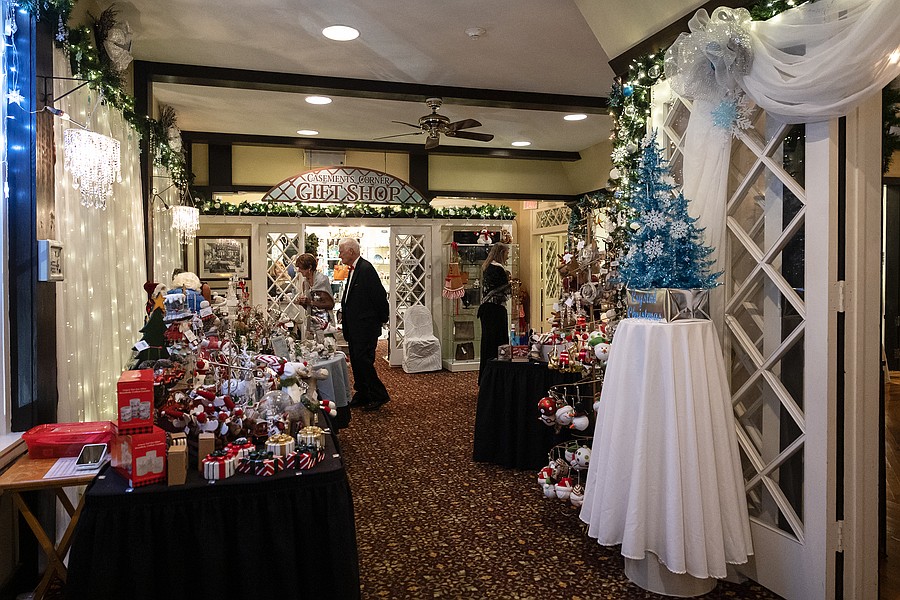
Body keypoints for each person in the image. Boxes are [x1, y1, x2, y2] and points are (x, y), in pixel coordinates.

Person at [338, 237, 391, 411]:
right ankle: (362, 393)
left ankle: (378, 394)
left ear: (351, 251)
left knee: (363, 361)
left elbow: (379, 296)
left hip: (365, 327)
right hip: (355, 326)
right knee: (356, 360)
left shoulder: (366, 269)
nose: (339, 255)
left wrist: (382, 319)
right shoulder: (355, 269)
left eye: (341, 251)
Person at [477, 243, 511, 384]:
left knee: (487, 343)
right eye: (507, 253)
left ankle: (486, 377)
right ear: (501, 253)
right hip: (495, 310)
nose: (508, 256)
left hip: (486, 309)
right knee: (498, 343)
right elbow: (505, 290)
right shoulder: (498, 268)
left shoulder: (487, 267)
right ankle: (497, 379)